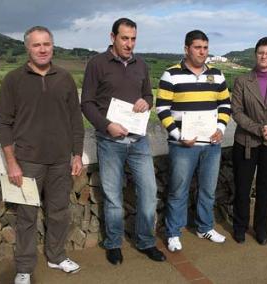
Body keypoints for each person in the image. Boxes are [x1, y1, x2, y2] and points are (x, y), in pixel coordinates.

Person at [0, 26, 84, 284]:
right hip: (27, 162)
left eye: (47, 44)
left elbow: (75, 121)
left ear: (53, 46)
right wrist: (11, 162)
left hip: (59, 162)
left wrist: (77, 154)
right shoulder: (13, 80)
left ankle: (56, 257)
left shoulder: (65, 78)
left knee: (59, 212)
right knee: (26, 217)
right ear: (27, 48)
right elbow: (3, 123)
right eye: (37, 45)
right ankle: (24, 268)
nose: (43, 49)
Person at [81, 18, 166, 265]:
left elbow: (149, 94)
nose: (129, 44)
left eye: (133, 38)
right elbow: (86, 103)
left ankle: (146, 241)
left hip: (138, 140)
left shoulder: (142, 64)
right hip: (109, 141)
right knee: (113, 196)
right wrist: (107, 125)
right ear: (113, 37)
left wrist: (146, 102)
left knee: (149, 193)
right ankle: (114, 243)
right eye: (124, 38)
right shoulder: (97, 64)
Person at [156, 30, 231, 252]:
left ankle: (204, 227)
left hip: (211, 144)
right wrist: (179, 136)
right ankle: (173, 232)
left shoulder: (217, 74)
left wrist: (220, 128)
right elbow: (162, 108)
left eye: (205, 47)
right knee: (178, 190)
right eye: (198, 47)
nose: (202, 52)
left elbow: (225, 105)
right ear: (186, 48)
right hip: (182, 145)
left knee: (208, 189)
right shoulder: (170, 75)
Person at [231, 37, 267, 245]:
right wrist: (259, 129)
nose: (264, 56)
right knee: (242, 187)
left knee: (265, 189)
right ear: (255, 54)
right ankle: (239, 227)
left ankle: (261, 230)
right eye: (261, 52)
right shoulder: (241, 81)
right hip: (246, 142)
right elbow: (236, 112)